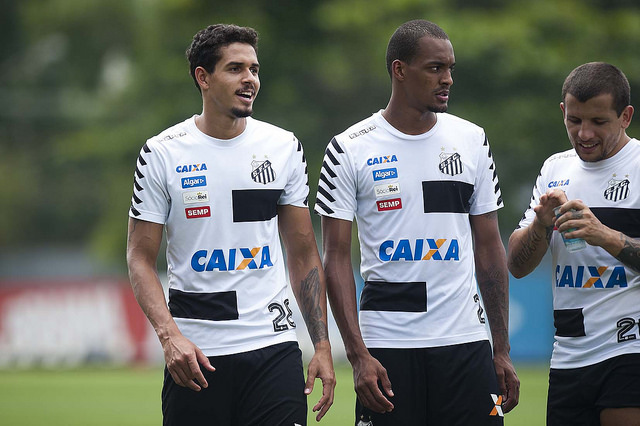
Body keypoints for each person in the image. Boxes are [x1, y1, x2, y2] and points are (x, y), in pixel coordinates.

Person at [126, 24, 335, 425]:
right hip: (197, 358)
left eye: (254, 69)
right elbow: (139, 258)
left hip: (273, 349)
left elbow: (304, 253)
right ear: (203, 77)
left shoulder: (283, 147)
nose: (250, 80)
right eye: (235, 68)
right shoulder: (161, 153)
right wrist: (170, 338)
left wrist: (322, 345)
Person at [315, 19, 519, 425]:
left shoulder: (472, 139)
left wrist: (501, 348)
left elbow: (489, 247)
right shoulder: (348, 147)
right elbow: (335, 257)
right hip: (386, 350)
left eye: (450, 69)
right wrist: (357, 356)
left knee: (493, 418)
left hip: (469, 346)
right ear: (399, 70)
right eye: (434, 68)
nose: (447, 79)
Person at [507, 62, 640, 426]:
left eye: (598, 122)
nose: (584, 133)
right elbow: (517, 266)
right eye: (575, 120)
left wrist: (605, 236)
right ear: (563, 111)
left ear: (625, 116)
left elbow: (607, 239)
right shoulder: (555, 169)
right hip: (568, 355)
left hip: (629, 350)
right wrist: (540, 224)